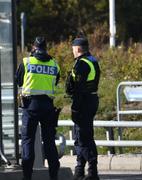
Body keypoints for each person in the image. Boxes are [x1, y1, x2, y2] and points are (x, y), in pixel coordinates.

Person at [16, 36, 60, 180]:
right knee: (49, 141)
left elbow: (18, 80)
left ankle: (27, 176)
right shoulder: (54, 64)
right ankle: (54, 176)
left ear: (34, 48)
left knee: (28, 140)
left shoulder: (27, 62)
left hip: (30, 106)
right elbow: (56, 81)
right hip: (48, 106)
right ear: (46, 48)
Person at [66, 37, 100, 180]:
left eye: (73, 48)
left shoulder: (82, 64)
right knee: (83, 136)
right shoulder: (92, 60)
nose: (72, 51)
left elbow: (78, 89)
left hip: (83, 102)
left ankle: (92, 172)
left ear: (78, 49)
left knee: (83, 138)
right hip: (91, 99)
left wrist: (75, 108)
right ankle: (79, 170)